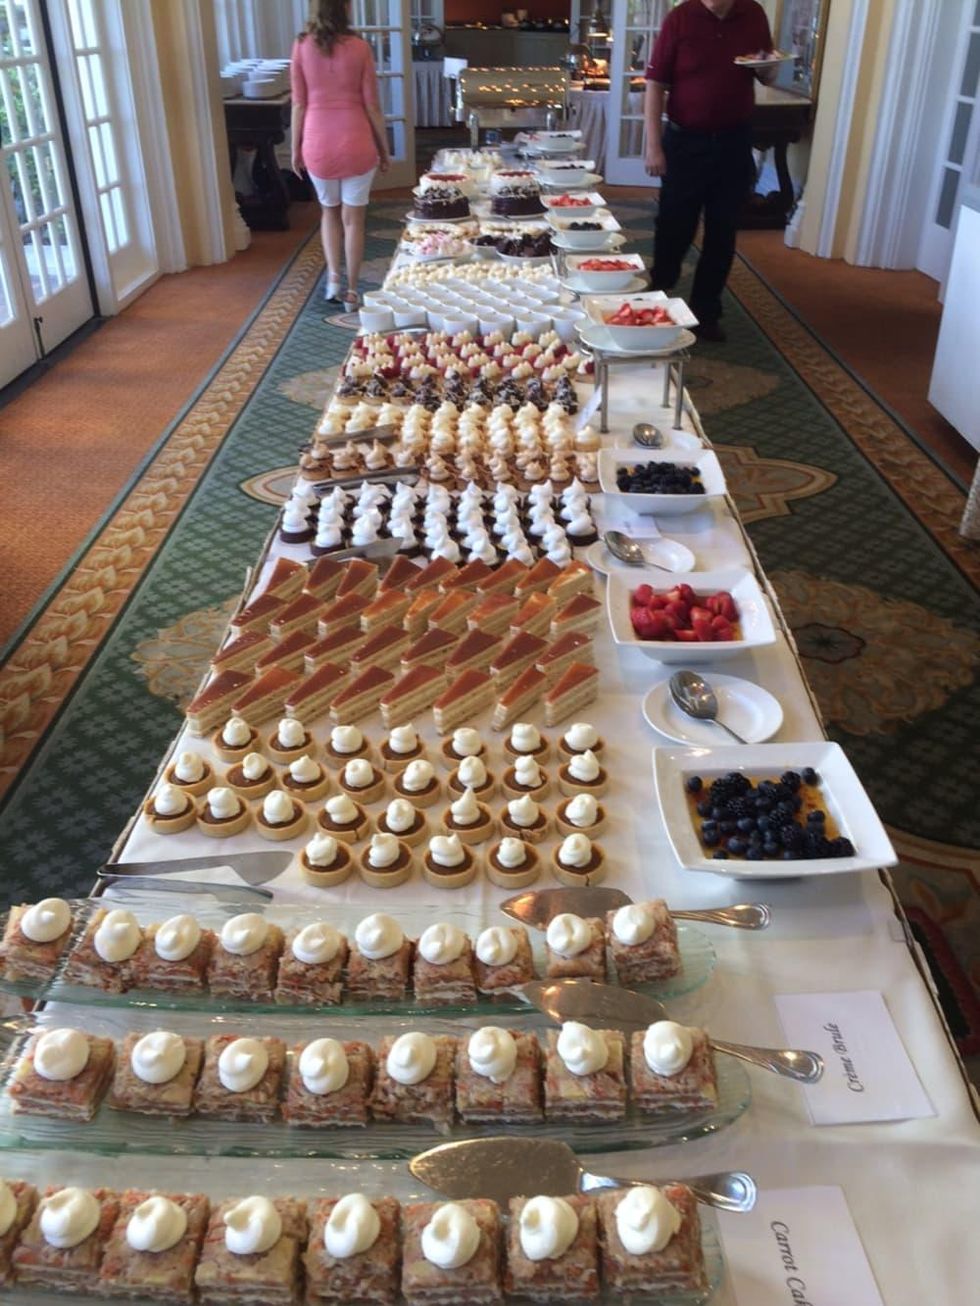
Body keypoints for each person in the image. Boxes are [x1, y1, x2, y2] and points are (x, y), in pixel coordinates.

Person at [644, 0, 775, 342]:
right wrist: (653, 145)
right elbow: (655, 84)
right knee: (675, 224)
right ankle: (659, 292)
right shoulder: (680, 18)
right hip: (685, 142)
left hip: (734, 141)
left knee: (723, 230)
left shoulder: (754, 14)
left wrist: (767, 66)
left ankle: (706, 311)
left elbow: (767, 72)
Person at [291, 0, 391, 308]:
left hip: (318, 141)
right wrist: (384, 148)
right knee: (353, 220)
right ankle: (351, 290)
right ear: (346, 9)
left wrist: (295, 149)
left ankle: (333, 278)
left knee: (329, 213)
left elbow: (299, 104)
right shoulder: (360, 47)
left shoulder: (301, 46)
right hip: (357, 140)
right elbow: (372, 106)